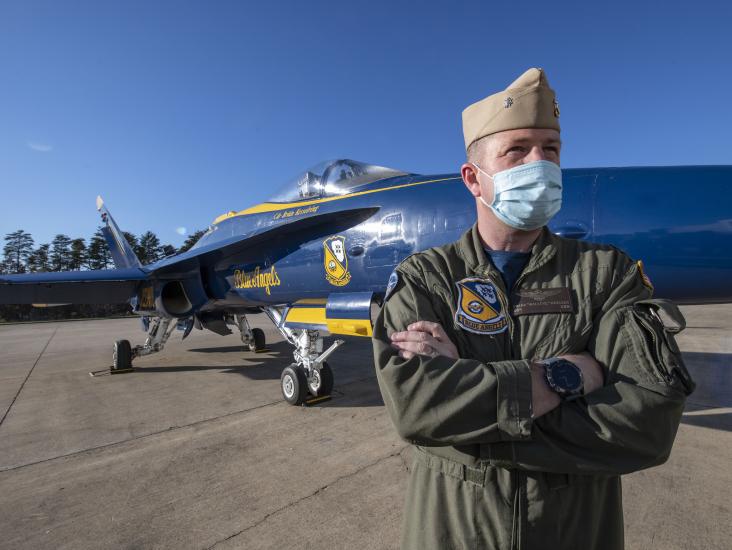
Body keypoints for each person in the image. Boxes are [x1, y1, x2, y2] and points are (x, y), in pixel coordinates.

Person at [372, 68, 695, 550]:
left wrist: (469, 409)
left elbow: (647, 425)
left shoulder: (608, 276)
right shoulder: (426, 278)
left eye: (552, 149)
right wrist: (571, 376)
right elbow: (418, 408)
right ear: (473, 179)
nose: (539, 163)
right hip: (454, 534)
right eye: (517, 150)